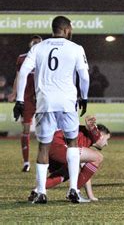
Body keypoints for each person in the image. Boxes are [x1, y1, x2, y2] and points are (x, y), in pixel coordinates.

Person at [13, 15, 90, 204]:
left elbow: (23, 72)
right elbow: (84, 76)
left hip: (45, 102)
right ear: (65, 30)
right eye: (70, 28)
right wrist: (85, 96)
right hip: (67, 102)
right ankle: (73, 190)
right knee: (72, 143)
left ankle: (41, 192)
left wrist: (20, 100)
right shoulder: (76, 48)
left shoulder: (38, 48)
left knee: (43, 146)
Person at [28, 115, 111, 202]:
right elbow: (92, 129)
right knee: (98, 157)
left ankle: (38, 191)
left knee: (67, 172)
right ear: (101, 135)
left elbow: (85, 173)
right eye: (107, 139)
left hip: (50, 147)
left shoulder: (85, 141)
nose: (106, 144)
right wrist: (92, 126)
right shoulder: (94, 135)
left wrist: (91, 196)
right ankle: (74, 192)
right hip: (58, 145)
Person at [8, 35, 43, 172]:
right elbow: (18, 76)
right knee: (26, 129)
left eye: (38, 42)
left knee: (48, 129)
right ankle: (26, 162)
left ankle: (49, 159)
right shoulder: (22, 58)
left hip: (41, 97)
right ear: (30, 44)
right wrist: (15, 93)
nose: (36, 44)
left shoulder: (45, 56)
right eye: (34, 42)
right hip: (27, 98)